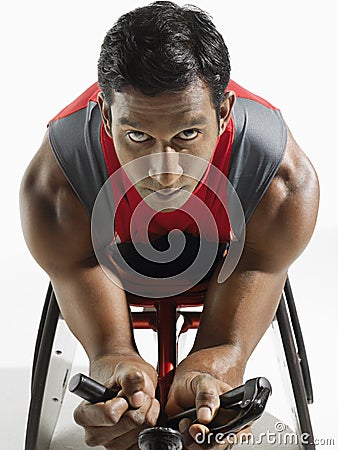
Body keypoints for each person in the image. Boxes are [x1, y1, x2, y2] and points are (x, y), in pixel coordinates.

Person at [20, 2, 319, 449]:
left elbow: (247, 293)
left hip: (231, 246)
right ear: (105, 116)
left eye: (187, 136)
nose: (163, 172)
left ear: (224, 113)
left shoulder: (280, 182)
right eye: (138, 136)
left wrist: (216, 370)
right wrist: (114, 365)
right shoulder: (57, 186)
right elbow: (104, 339)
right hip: (107, 246)